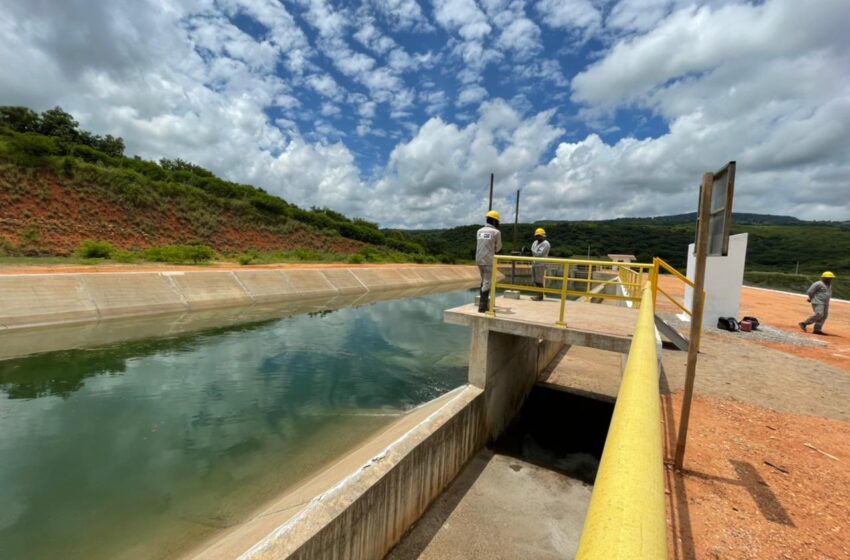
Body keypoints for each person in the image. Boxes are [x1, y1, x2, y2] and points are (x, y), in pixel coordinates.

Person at [476, 210, 502, 313]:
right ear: (495, 221)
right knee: (487, 282)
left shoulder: (479, 231)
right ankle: (482, 307)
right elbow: (499, 248)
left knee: (483, 281)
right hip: (488, 260)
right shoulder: (496, 232)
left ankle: (484, 304)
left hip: (479, 260)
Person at [529, 228, 550, 301]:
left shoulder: (546, 243)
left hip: (541, 264)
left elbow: (539, 253)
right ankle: (538, 294)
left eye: (539, 236)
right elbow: (534, 251)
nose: (537, 237)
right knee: (535, 280)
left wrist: (532, 251)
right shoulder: (535, 242)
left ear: (543, 236)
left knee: (539, 281)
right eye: (536, 236)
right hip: (535, 263)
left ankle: (540, 296)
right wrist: (533, 251)